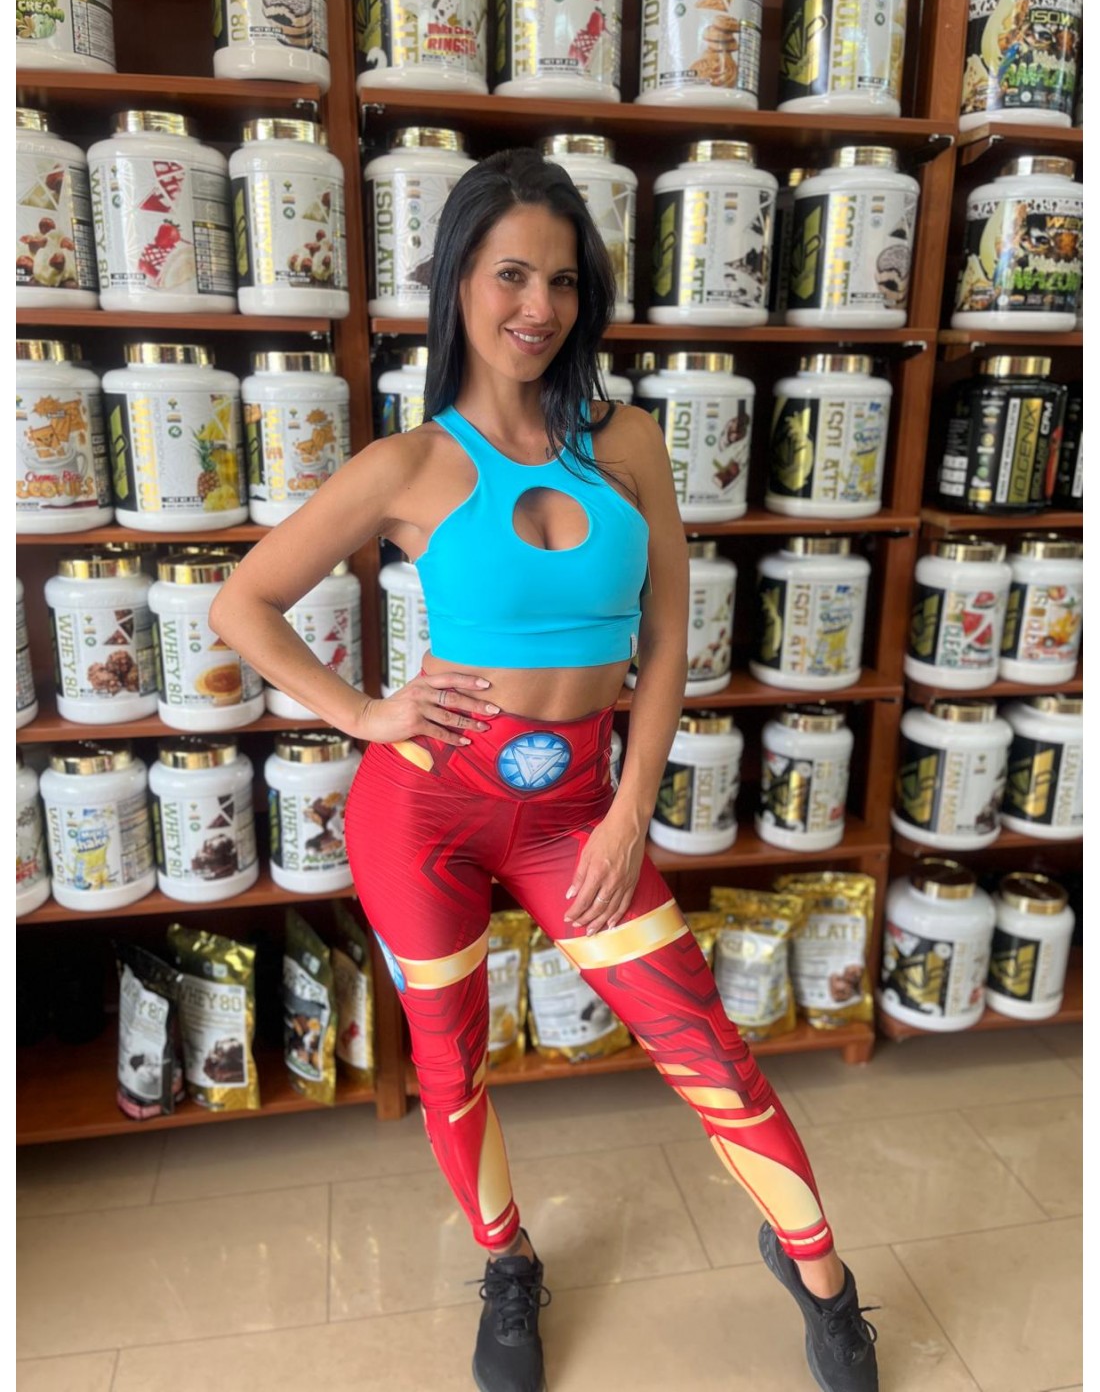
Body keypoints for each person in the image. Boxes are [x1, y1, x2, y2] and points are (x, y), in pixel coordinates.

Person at [210, 147, 880, 1392]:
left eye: (562, 281)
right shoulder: (408, 466)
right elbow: (241, 604)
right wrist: (364, 712)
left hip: (577, 808)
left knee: (703, 1045)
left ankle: (823, 1279)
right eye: (510, 274)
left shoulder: (626, 441)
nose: (538, 306)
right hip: (424, 808)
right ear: (458, 281)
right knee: (449, 1059)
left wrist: (629, 811)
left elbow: (667, 637)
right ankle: (507, 1261)